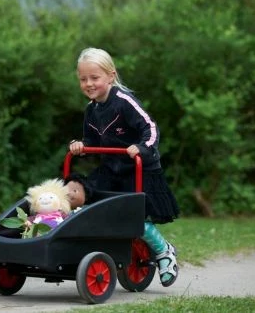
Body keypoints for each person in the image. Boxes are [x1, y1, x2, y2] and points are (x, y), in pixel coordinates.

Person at [68, 47, 180, 287]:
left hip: (139, 170)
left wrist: (142, 147)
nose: (88, 83)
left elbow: (150, 128)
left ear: (110, 76)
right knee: (89, 201)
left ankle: (164, 252)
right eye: (83, 79)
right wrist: (81, 146)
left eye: (94, 77)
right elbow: (91, 141)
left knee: (135, 218)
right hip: (113, 169)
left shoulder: (124, 102)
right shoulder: (91, 109)